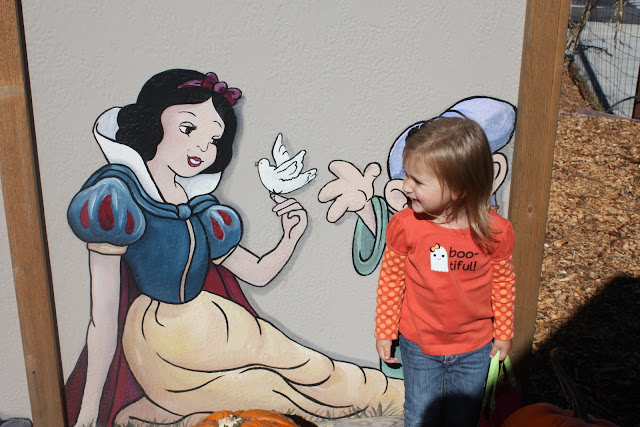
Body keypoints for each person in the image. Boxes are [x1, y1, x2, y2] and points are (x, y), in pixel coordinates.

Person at [65, 69, 402, 427]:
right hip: (162, 341)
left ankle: (410, 398)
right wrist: (88, 414)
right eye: (188, 128)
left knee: (312, 368)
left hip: (215, 318)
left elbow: (256, 273)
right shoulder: (117, 197)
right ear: (149, 123)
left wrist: (290, 237)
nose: (202, 147)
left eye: (213, 138)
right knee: (279, 395)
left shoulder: (201, 207)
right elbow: (103, 317)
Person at [374, 116, 516, 426]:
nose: (406, 186)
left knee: (462, 420)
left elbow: (503, 283)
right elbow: (391, 279)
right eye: (407, 175)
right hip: (419, 345)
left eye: (417, 180)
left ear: (458, 189)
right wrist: (385, 330)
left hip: (475, 349)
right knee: (419, 417)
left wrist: (504, 332)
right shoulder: (406, 225)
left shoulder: (495, 232)